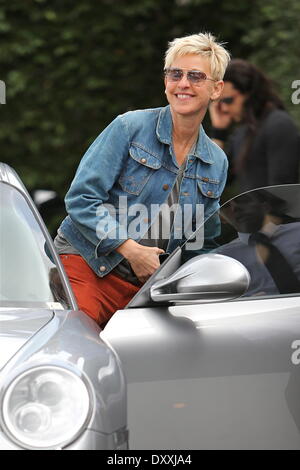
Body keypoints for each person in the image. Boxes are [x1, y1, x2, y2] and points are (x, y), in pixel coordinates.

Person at [54, 32, 230, 327]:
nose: (183, 84)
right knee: (81, 345)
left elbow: (204, 243)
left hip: (149, 291)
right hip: (87, 266)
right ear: (166, 82)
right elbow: (81, 199)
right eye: (176, 74)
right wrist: (130, 249)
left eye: (196, 76)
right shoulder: (129, 127)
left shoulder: (217, 162)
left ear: (216, 89)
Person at [209, 59, 300, 192]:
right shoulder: (243, 132)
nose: (224, 109)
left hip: (268, 213)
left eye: (228, 100)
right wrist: (219, 132)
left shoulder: (278, 124)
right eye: (219, 102)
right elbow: (214, 182)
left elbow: (282, 194)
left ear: (248, 94)